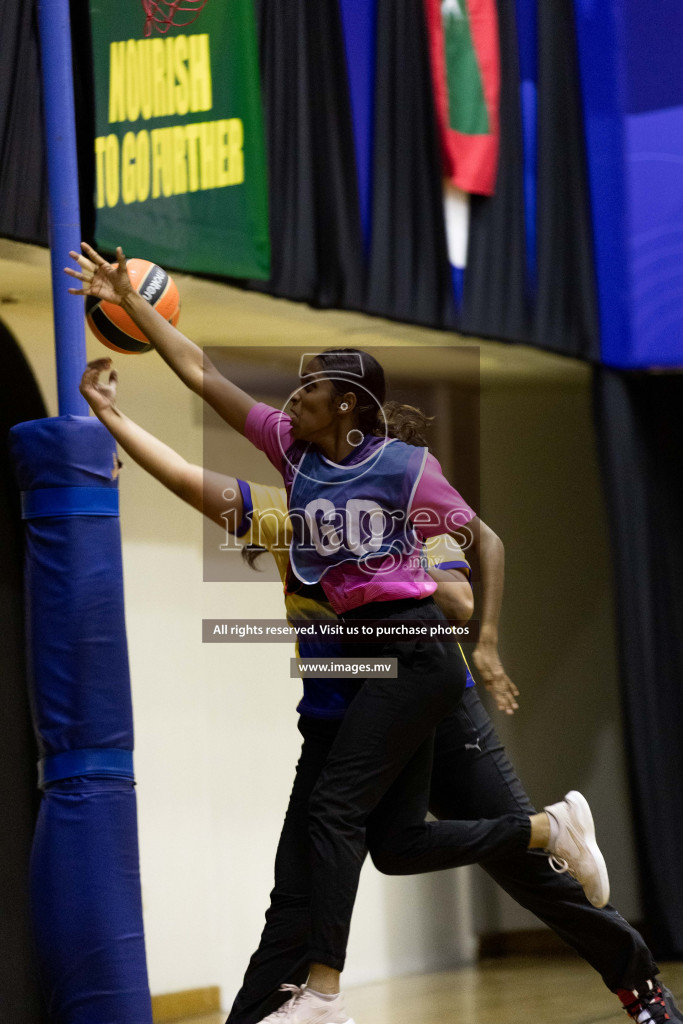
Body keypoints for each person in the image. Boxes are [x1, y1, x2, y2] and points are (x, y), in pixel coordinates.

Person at [68, 245, 611, 1024]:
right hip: (343, 708)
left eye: (311, 387)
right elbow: (197, 396)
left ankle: (324, 994)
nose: (292, 398)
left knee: (335, 821)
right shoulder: (282, 494)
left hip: (411, 675)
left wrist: (474, 631)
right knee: (392, 847)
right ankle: (541, 829)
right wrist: (118, 398)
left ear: (348, 406)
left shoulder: (397, 484)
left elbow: (463, 581)